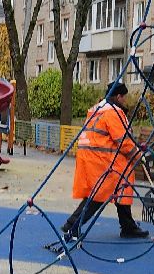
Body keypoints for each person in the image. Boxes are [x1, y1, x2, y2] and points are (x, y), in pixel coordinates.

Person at [60, 81, 149, 243]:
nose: (125, 101)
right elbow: (122, 140)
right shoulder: (113, 112)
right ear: (118, 96)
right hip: (103, 161)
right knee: (98, 196)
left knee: (120, 189)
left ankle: (127, 225)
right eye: (124, 97)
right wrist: (137, 156)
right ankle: (72, 225)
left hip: (92, 158)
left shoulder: (98, 109)